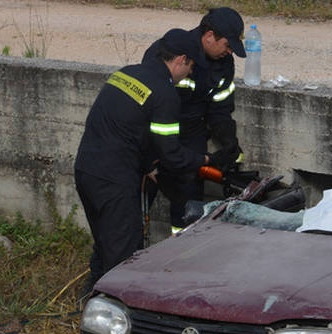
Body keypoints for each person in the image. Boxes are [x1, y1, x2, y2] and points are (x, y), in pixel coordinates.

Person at [74, 28, 230, 296]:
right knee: (123, 254)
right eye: (190, 67)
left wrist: (149, 165)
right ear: (180, 60)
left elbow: (128, 127)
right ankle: (112, 309)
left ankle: (90, 296)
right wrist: (206, 159)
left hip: (86, 170)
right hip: (115, 181)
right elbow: (172, 155)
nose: (189, 74)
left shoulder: (126, 74)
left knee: (104, 241)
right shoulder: (165, 93)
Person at [143, 7, 246, 234]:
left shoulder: (224, 63)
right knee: (137, 204)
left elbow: (220, 108)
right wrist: (149, 159)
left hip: (192, 135)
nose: (229, 52)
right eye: (227, 45)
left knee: (188, 205)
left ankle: (182, 245)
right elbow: (144, 109)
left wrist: (228, 142)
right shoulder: (169, 51)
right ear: (209, 36)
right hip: (155, 136)